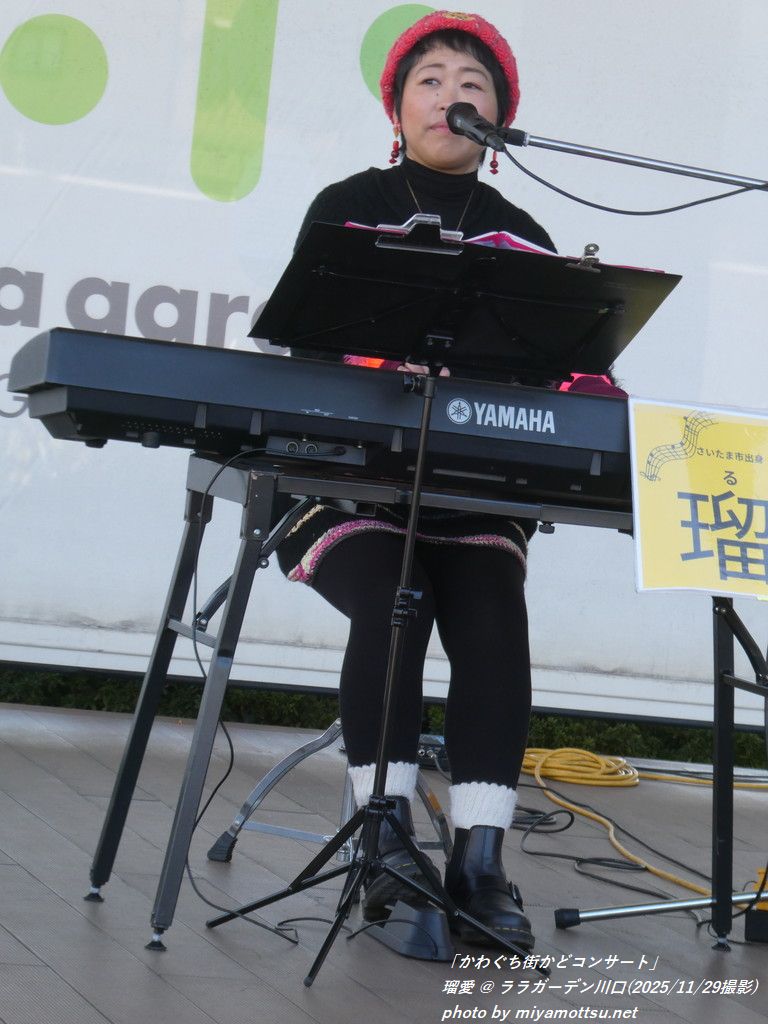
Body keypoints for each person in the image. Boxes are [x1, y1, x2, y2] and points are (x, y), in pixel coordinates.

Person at [276, 10, 572, 951]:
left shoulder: (524, 235)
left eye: (473, 85)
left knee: (492, 611)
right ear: (397, 108)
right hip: (346, 485)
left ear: (499, 118)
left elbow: (551, 375)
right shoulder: (348, 204)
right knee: (395, 595)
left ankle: (480, 861)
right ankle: (386, 840)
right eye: (432, 80)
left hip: (466, 489)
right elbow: (307, 347)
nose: (452, 96)